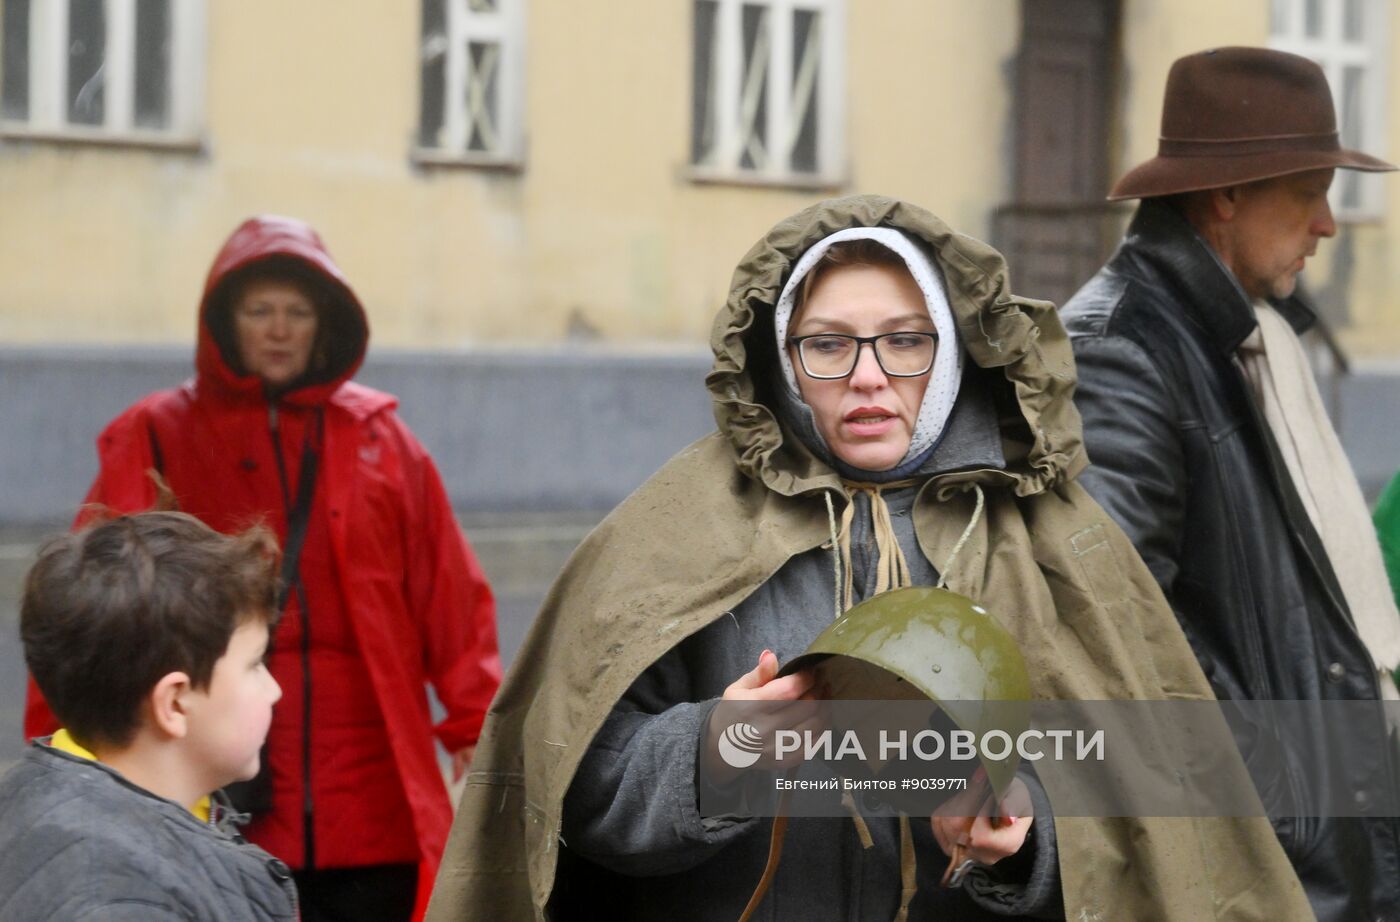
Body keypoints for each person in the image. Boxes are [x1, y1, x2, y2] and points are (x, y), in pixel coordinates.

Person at [426, 195, 1311, 921]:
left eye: (905, 340)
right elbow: (574, 794)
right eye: (828, 344)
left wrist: (1025, 837)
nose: (867, 375)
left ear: (954, 353)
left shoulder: (1049, 536)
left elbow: (1151, 807)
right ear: (782, 359)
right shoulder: (676, 526)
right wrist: (716, 754)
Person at [23, 215, 502, 922]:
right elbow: (91, 606)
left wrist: (476, 728)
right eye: (260, 311)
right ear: (225, 322)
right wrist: (63, 750)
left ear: (325, 325)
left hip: (370, 793)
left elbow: (451, 599)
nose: (279, 329)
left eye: (297, 313)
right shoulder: (157, 432)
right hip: (215, 762)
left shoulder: (382, 442)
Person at [1060, 47, 1400, 921]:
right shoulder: (1121, 349)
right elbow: (1120, 620)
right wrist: (1283, 791)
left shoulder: (1247, 327)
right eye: (1308, 192)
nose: (1326, 225)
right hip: (1272, 854)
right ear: (1226, 196)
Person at [0, 511, 295, 921]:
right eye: (254, 664)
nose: (274, 689)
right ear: (174, 704)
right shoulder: (120, 903)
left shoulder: (44, 806)